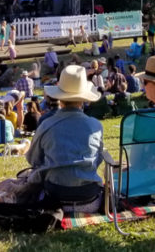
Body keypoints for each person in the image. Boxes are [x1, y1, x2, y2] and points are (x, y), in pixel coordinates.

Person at [25, 65, 105, 206]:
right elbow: (98, 159)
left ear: (59, 98)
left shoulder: (46, 125)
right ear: (83, 99)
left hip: (55, 195)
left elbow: (33, 159)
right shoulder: (95, 125)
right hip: (89, 195)